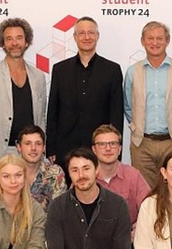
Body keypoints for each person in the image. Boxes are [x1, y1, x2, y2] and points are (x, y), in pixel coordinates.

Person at [123, 21, 172, 189]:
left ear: (168, 40)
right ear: (142, 41)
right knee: (144, 194)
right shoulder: (132, 72)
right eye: (150, 38)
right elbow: (129, 107)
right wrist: (139, 127)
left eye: (159, 38)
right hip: (142, 145)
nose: (155, 42)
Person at [46, 17, 124, 168]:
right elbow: (53, 112)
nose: (86, 37)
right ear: (75, 37)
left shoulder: (112, 70)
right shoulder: (60, 69)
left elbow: (116, 113)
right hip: (65, 147)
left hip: (99, 148)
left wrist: (115, 150)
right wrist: (51, 148)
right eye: (81, 33)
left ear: (97, 36)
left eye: (91, 33)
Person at [0, 18, 47, 169]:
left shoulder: (39, 76)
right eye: (9, 39)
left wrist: (42, 151)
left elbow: (41, 119)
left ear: (27, 42)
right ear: (3, 43)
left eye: (19, 38)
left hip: (32, 154)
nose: (15, 43)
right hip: (1, 153)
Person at [92, 124, 150, 229]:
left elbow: (149, 211)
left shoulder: (133, 176)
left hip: (128, 237)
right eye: (102, 144)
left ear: (119, 149)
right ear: (94, 150)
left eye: (113, 144)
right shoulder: (85, 177)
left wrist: (134, 234)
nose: (108, 148)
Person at [15, 125, 66, 210]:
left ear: (44, 147)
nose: (33, 148)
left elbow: (59, 209)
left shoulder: (55, 172)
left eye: (38, 144)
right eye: (28, 143)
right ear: (19, 147)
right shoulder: (9, 172)